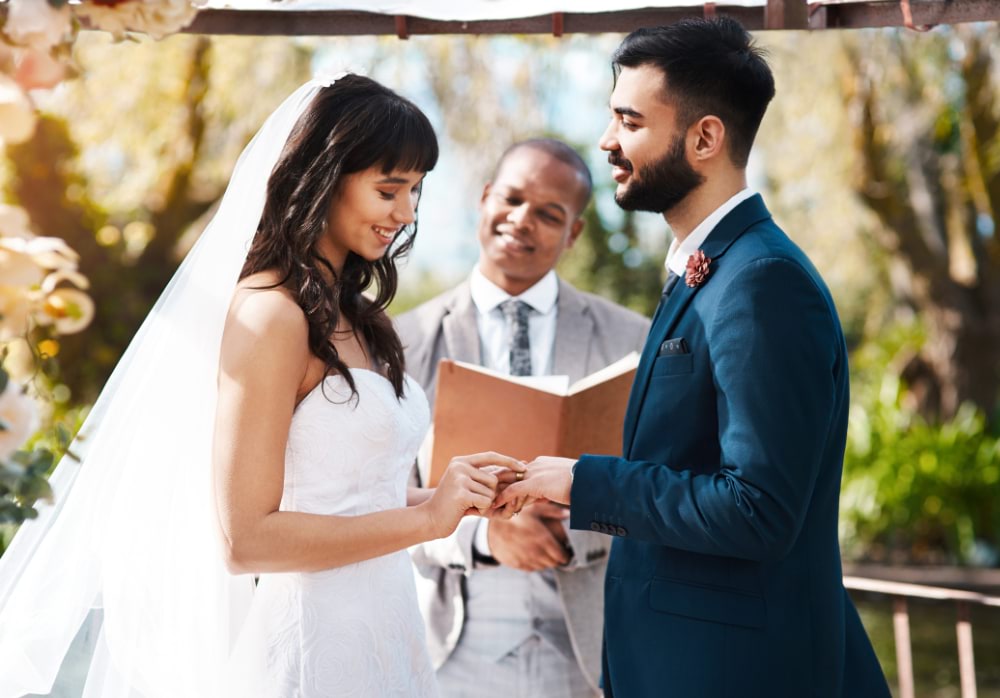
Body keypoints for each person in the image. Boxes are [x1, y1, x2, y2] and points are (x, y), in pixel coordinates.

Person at [0, 74, 522, 698]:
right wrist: (427, 522)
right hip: (312, 650)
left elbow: (346, 497)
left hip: (389, 632)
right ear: (325, 176)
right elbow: (244, 539)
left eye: (415, 190)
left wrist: (453, 498)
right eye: (389, 189)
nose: (406, 214)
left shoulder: (362, 316)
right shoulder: (269, 315)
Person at [496, 19, 892, 698]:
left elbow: (759, 507)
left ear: (704, 137)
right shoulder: (710, 270)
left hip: (734, 674)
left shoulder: (762, 281)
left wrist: (582, 483)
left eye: (629, 121)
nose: (606, 141)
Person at [397, 139, 650, 698]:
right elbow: (378, 502)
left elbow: (653, 485)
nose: (521, 220)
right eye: (510, 199)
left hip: (587, 651)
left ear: (574, 233)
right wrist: (485, 537)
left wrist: (581, 523)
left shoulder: (631, 338)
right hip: (447, 649)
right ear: (485, 199)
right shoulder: (403, 341)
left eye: (548, 213)